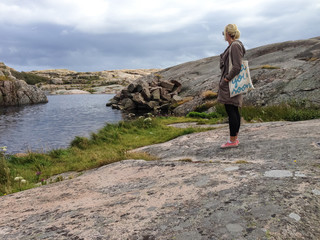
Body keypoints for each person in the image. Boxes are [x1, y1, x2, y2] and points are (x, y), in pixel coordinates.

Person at [217, 24, 246, 148]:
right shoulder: (234, 45)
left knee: (231, 110)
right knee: (233, 110)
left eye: (224, 33)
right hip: (231, 83)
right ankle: (234, 139)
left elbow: (237, 66)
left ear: (228, 34)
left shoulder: (234, 45)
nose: (224, 36)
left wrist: (226, 79)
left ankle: (232, 141)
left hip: (230, 83)